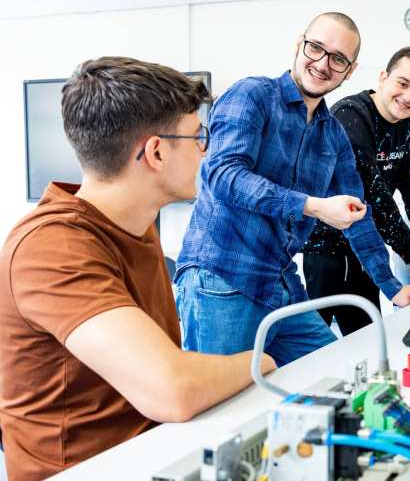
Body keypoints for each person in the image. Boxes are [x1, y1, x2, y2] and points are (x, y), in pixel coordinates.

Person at [0, 57, 277, 480]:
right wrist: (263, 361)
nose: (206, 151)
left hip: (157, 452)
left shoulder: (136, 225)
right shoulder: (52, 246)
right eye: (197, 137)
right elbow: (172, 391)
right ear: (156, 151)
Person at [175, 12, 410, 366]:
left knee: (337, 377)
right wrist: (313, 206)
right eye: (316, 48)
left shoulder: (333, 134)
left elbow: (358, 214)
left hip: (279, 282)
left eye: (337, 59)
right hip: (223, 278)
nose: (322, 64)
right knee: (225, 407)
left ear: (350, 71)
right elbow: (223, 175)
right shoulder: (252, 96)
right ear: (298, 44)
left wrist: (394, 289)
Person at [302, 47, 410, 335]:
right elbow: (373, 195)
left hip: (366, 251)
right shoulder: (349, 116)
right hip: (327, 250)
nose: (409, 98)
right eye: (403, 84)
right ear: (383, 77)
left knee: (369, 339)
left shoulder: (402, 126)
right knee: (313, 345)